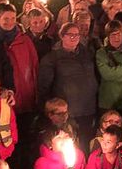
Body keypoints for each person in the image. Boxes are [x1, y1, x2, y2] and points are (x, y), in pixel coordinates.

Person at [38, 22, 98, 152]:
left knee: (86, 143)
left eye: (76, 34)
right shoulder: (52, 58)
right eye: (70, 34)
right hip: (67, 111)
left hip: (88, 108)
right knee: (70, 145)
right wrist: (49, 109)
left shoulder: (87, 54)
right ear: (62, 36)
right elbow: (44, 86)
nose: (74, 37)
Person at [0, 3, 39, 115]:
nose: (10, 22)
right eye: (6, 18)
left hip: (25, 93)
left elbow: (35, 66)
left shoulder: (24, 40)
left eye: (13, 18)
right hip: (3, 94)